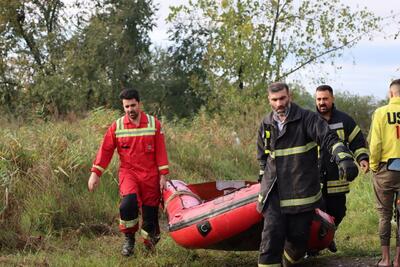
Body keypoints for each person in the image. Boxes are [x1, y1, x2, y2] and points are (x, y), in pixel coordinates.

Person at [257, 82, 358, 266]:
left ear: (290, 96)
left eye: (282, 98)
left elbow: (328, 137)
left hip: (301, 192)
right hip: (274, 191)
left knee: (298, 243)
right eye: (274, 100)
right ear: (269, 100)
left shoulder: (308, 119)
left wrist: (344, 158)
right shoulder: (266, 124)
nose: (279, 103)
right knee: (271, 236)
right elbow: (263, 157)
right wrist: (261, 180)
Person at [88, 88, 169, 257]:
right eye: (126, 107)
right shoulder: (116, 127)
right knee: (128, 204)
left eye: (133, 105)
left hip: (150, 176)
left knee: (150, 218)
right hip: (129, 173)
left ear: (139, 104)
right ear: (123, 107)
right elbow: (106, 150)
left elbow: (161, 151)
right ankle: (129, 240)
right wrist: (95, 173)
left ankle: (150, 243)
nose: (130, 110)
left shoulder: (154, 124)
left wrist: (163, 176)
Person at [315, 85, 369, 252]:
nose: (322, 102)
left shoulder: (345, 120)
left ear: (332, 99)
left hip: (337, 175)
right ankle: (314, 246)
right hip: (314, 176)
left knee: (338, 211)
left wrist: (362, 158)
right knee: (315, 213)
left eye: (325, 99)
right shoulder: (309, 120)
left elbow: (358, 142)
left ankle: (329, 236)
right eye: (318, 99)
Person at [370, 79, 400, 267]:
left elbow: (376, 144)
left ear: (391, 94)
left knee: (384, 215)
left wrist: (373, 165)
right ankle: (399, 260)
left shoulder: (381, 113)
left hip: (386, 170)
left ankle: (386, 259)